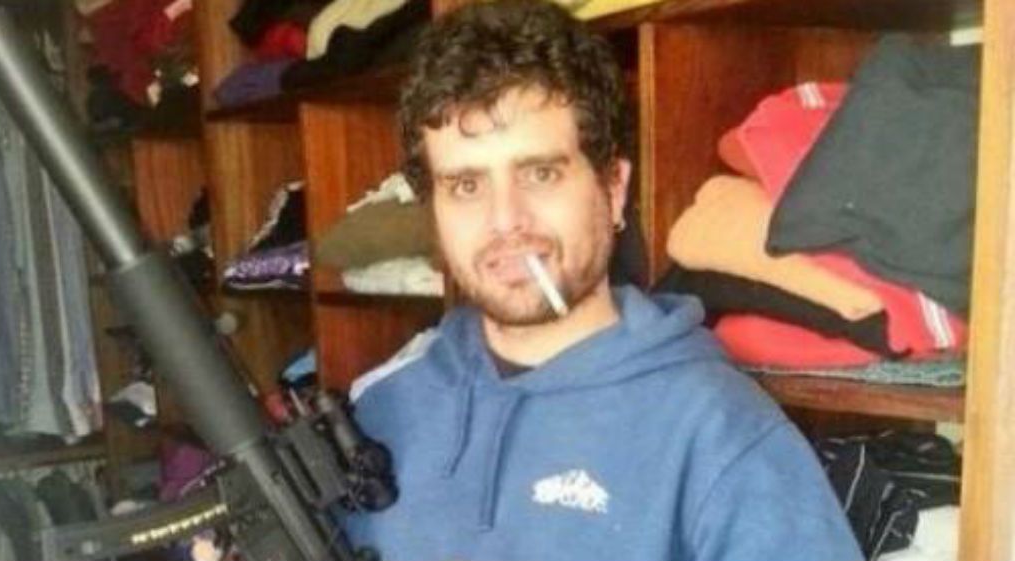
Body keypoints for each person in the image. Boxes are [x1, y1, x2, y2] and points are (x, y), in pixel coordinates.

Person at [341, 1, 863, 560]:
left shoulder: (723, 436)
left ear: (613, 188)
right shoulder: (382, 407)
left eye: (540, 173)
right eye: (466, 186)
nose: (505, 220)